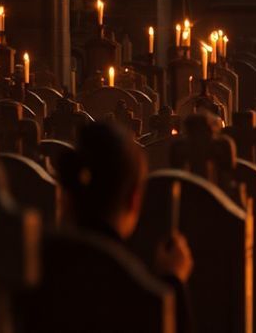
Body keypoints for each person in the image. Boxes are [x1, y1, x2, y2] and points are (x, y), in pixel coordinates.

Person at [56, 122, 194, 330]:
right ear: (134, 199)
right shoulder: (138, 295)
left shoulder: (32, 271)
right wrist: (174, 282)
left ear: (66, 197)